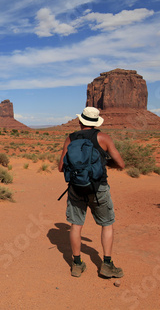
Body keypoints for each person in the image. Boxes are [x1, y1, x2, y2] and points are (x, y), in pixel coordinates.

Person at [58, 107, 125, 278]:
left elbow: (61, 167)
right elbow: (121, 164)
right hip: (98, 188)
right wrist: (105, 164)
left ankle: (77, 264)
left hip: (75, 187)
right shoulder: (103, 138)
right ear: (96, 123)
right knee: (107, 224)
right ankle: (107, 264)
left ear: (80, 121)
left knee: (76, 224)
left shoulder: (70, 138)